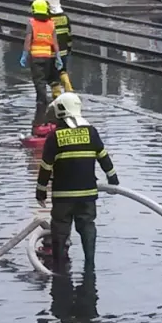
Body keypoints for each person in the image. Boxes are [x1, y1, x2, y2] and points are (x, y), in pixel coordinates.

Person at [36, 92, 119, 270]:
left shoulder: (54, 137)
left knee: (60, 229)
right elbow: (104, 158)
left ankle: (58, 269)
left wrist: (40, 191)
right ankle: (90, 264)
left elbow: (45, 167)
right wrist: (113, 179)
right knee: (87, 226)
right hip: (87, 194)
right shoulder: (91, 132)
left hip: (63, 196)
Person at [20, 0, 62, 135]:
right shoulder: (51, 24)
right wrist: (58, 56)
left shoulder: (31, 23)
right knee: (48, 82)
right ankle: (49, 109)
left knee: (40, 84)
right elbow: (55, 41)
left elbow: (28, 39)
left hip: (36, 58)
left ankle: (41, 109)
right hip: (49, 58)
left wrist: (25, 54)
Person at [45, 0, 73, 92]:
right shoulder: (65, 17)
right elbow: (69, 35)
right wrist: (69, 49)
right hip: (63, 51)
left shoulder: (48, 18)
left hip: (51, 52)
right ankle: (69, 89)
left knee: (52, 77)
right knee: (62, 71)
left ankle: (56, 95)